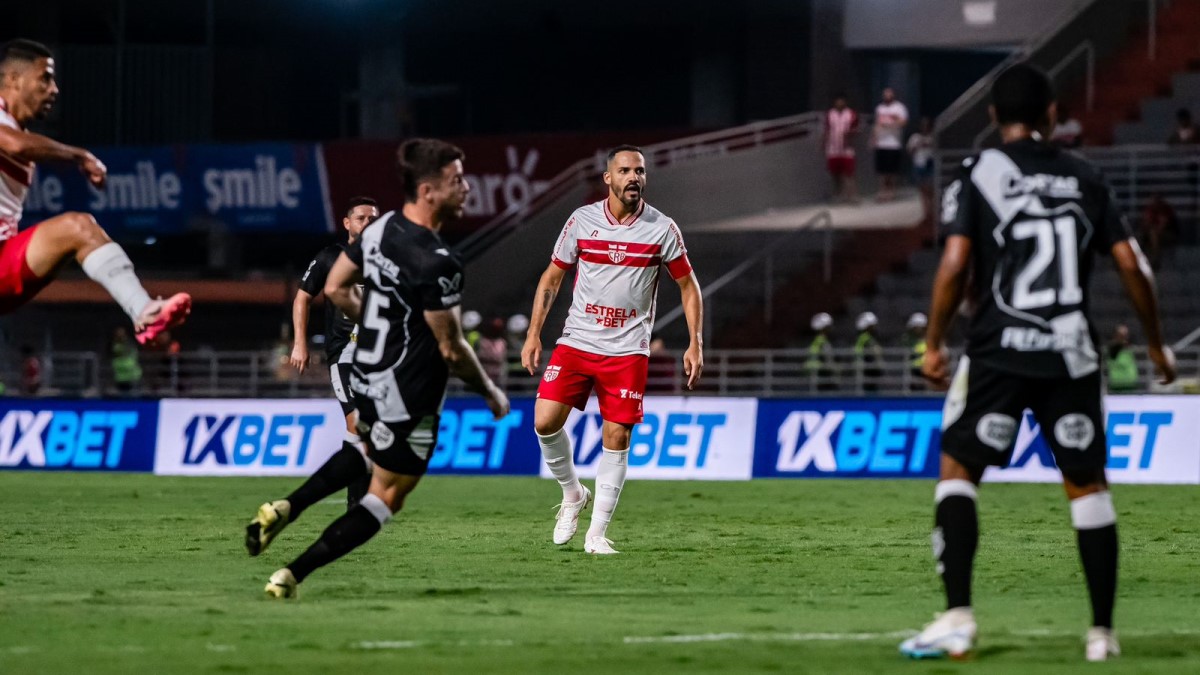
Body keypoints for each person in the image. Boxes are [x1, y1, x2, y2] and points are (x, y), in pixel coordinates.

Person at [901, 63, 1176, 662]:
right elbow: (1134, 265)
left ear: (995, 118)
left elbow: (953, 264)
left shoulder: (979, 172)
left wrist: (934, 342)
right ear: (1053, 114)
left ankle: (957, 618)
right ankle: (1102, 634)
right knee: (1087, 487)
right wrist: (1156, 345)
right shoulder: (1085, 177)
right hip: (1071, 353)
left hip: (1001, 347)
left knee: (958, 472)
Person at [262, 138, 508, 598]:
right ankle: (291, 575)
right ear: (429, 190)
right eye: (457, 180)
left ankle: (287, 506)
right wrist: (490, 391)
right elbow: (451, 349)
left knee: (366, 446)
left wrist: (382, 327)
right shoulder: (439, 261)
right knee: (387, 495)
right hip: (410, 389)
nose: (467, 189)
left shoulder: (381, 229)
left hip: (368, 374)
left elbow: (336, 289)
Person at [521, 144, 704, 555]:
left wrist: (696, 342)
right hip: (577, 341)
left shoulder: (662, 228)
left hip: (627, 350)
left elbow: (688, 286)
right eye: (624, 171)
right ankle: (572, 494)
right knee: (545, 421)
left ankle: (597, 534)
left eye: (639, 171)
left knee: (616, 435)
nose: (633, 178)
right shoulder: (582, 220)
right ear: (608, 178)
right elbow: (552, 278)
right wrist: (534, 333)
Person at [0, 39, 189, 343]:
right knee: (76, 227)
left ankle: (145, 311)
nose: (54, 90)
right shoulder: (10, 132)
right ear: (13, 79)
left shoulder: (17, 131)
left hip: (3, 261)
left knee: (80, 228)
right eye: (45, 78)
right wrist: (81, 155)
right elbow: (14, 145)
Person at [244, 197, 380, 559]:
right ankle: (356, 513)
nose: (369, 222)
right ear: (347, 223)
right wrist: (300, 343)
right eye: (362, 217)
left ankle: (355, 511)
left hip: (380, 357)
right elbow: (303, 298)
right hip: (346, 354)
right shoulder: (329, 258)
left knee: (366, 436)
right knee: (361, 426)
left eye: (374, 218)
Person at [873, 87, 909, 201]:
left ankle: (892, 191)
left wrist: (890, 124)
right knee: (882, 170)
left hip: (893, 143)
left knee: (892, 170)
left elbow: (903, 122)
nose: (887, 97)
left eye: (889, 94)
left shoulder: (899, 108)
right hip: (881, 142)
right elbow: (877, 123)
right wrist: (874, 137)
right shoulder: (879, 108)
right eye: (885, 95)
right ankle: (883, 191)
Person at [824, 94, 860, 203]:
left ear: (844, 102)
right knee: (835, 174)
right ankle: (838, 195)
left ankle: (852, 195)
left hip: (847, 148)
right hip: (833, 148)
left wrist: (850, 133)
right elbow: (827, 130)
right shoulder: (830, 114)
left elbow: (857, 129)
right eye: (837, 102)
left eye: (841, 101)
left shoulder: (851, 114)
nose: (839, 104)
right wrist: (823, 143)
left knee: (849, 173)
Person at [907, 117, 936, 231]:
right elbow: (909, 151)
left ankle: (933, 212)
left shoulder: (933, 137)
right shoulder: (915, 138)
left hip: (930, 164)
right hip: (919, 165)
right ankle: (926, 213)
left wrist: (928, 144)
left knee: (931, 190)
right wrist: (917, 146)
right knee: (922, 190)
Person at [1138, 193, 1178, 269]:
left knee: (1154, 235)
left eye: (1156, 200)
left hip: (1169, 235)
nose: (1155, 202)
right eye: (1153, 200)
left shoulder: (1166, 210)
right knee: (1141, 236)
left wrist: (1153, 230)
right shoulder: (1150, 209)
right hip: (1151, 235)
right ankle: (1137, 260)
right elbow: (1146, 224)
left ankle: (1155, 260)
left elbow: (1163, 225)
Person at [805, 312, 837, 391]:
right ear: (823, 328)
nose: (830, 329)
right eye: (828, 327)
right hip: (822, 377)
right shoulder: (820, 341)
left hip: (824, 375)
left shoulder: (822, 340)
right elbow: (815, 357)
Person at [853, 311, 883, 391]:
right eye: (872, 325)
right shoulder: (864, 338)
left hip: (872, 369)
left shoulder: (869, 337)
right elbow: (858, 351)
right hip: (866, 370)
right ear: (867, 326)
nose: (874, 327)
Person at [1105, 324, 1139, 393]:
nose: (1124, 337)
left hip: (1131, 385)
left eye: (1126, 335)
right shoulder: (1110, 348)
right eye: (1121, 335)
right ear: (1115, 335)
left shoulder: (1131, 348)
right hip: (1116, 385)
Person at [109, 326, 142, 395]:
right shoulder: (113, 344)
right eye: (118, 333)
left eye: (122, 333)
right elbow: (115, 352)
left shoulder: (130, 344)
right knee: (121, 397)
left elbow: (131, 353)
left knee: (133, 397)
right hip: (119, 377)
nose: (120, 334)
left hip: (132, 376)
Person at [903, 311, 928, 390]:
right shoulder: (909, 340)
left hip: (925, 370)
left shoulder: (928, 340)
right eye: (915, 328)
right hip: (913, 370)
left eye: (919, 327)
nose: (917, 330)